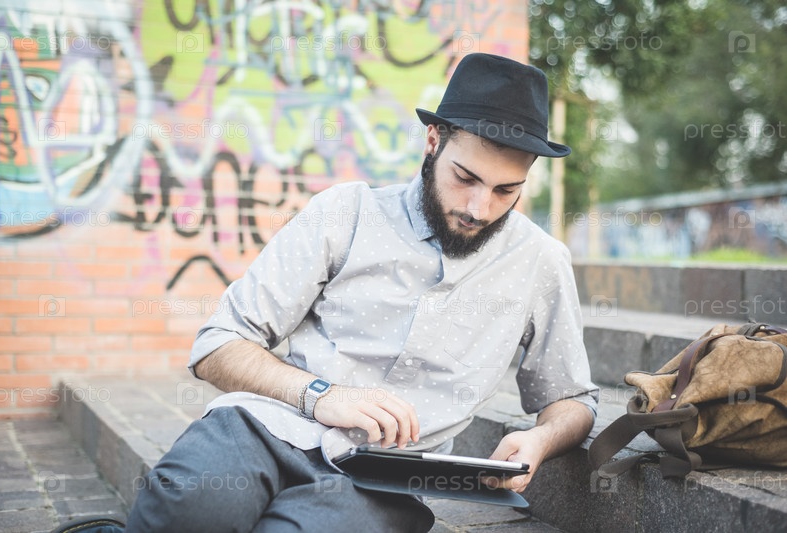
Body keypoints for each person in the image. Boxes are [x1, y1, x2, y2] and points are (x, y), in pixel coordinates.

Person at [55, 53, 598, 533]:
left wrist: (541, 440)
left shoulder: (541, 262)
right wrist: (321, 395)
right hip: (265, 426)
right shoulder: (346, 213)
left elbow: (573, 399)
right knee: (187, 513)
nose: (479, 208)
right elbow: (216, 345)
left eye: (506, 190)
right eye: (465, 178)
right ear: (433, 141)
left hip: (383, 479)